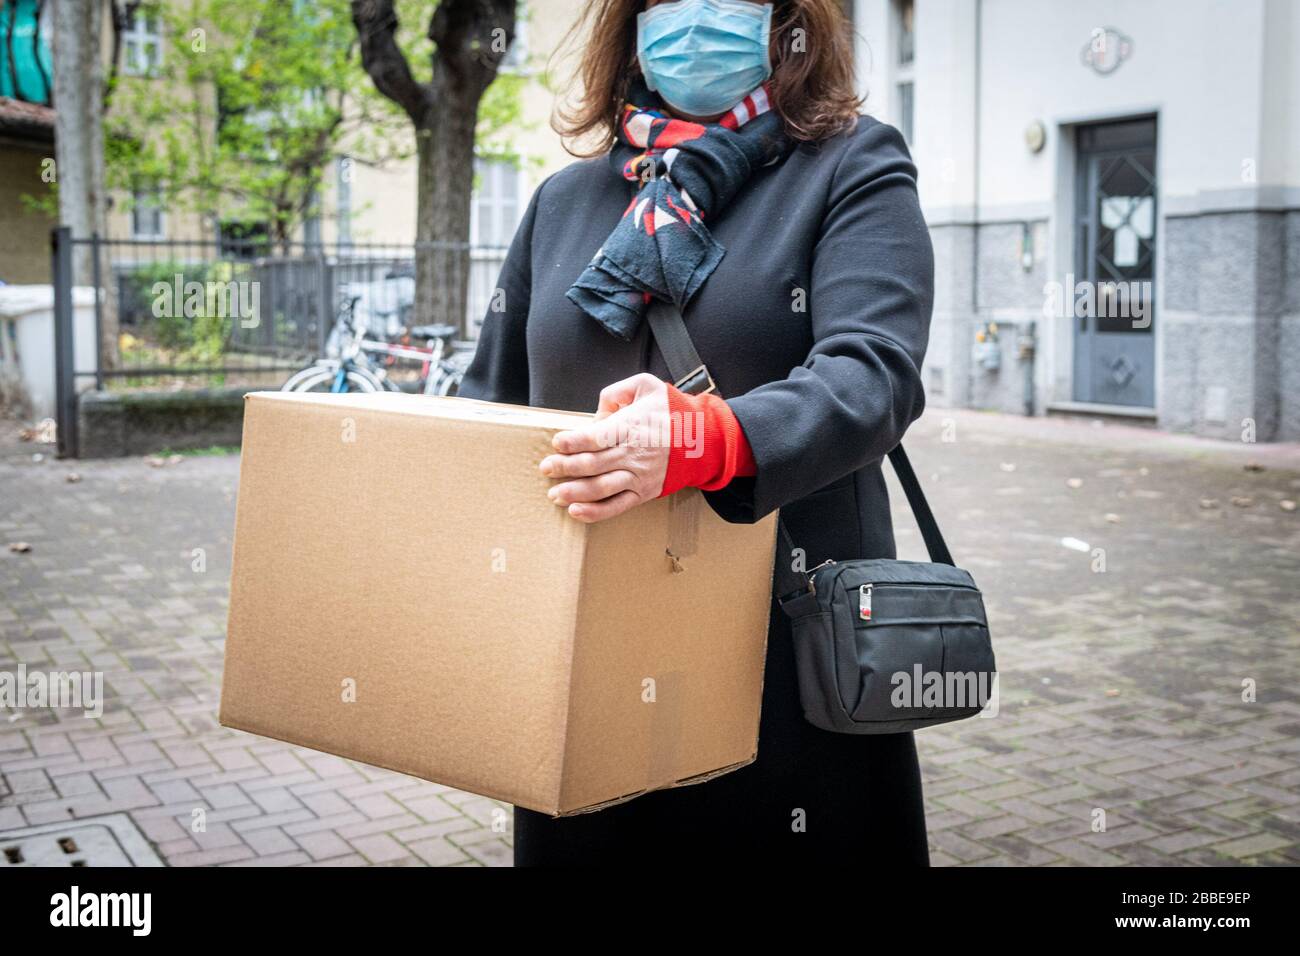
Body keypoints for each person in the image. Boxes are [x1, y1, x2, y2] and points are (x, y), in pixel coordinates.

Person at [459, 0, 935, 866]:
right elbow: (487, 403)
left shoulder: (849, 165)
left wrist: (702, 442)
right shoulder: (565, 201)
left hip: (782, 669)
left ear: (786, 21)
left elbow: (875, 375)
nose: (691, 19)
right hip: (580, 668)